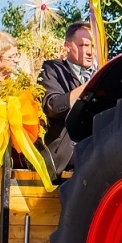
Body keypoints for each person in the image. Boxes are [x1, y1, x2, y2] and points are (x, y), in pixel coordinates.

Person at [39, 21, 96, 174]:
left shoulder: (101, 72)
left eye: (92, 46)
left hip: (97, 149)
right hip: (67, 154)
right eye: (83, 45)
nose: (90, 52)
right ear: (68, 46)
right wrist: (90, 86)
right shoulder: (52, 69)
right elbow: (53, 106)